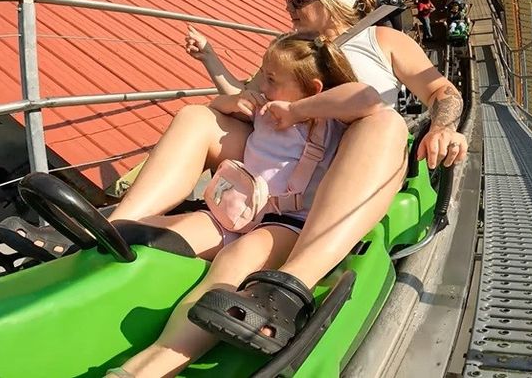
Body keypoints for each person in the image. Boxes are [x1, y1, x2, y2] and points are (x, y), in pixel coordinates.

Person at [104, 0, 466, 375]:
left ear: (332, 3)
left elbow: (441, 91)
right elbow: (251, 98)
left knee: (386, 123)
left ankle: (291, 285)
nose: (289, 6)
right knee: (196, 117)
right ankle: (118, 228)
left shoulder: (382, 40)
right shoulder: (288, 50)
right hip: (272, 173)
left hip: (346, 164)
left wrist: (442, 126)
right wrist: (225, 96)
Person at [108, 32, 382, 377]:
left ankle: (151, 366)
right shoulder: (263, 110)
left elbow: (367, 99)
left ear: (312, 89)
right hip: (233, 213)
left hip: (284, 224)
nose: (261, 84)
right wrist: (229, 103)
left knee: (238, 258)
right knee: (153, 233)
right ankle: (98, 244)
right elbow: (226, 104)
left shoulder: (325, 119)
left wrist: (297, 110)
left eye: (271, 79)